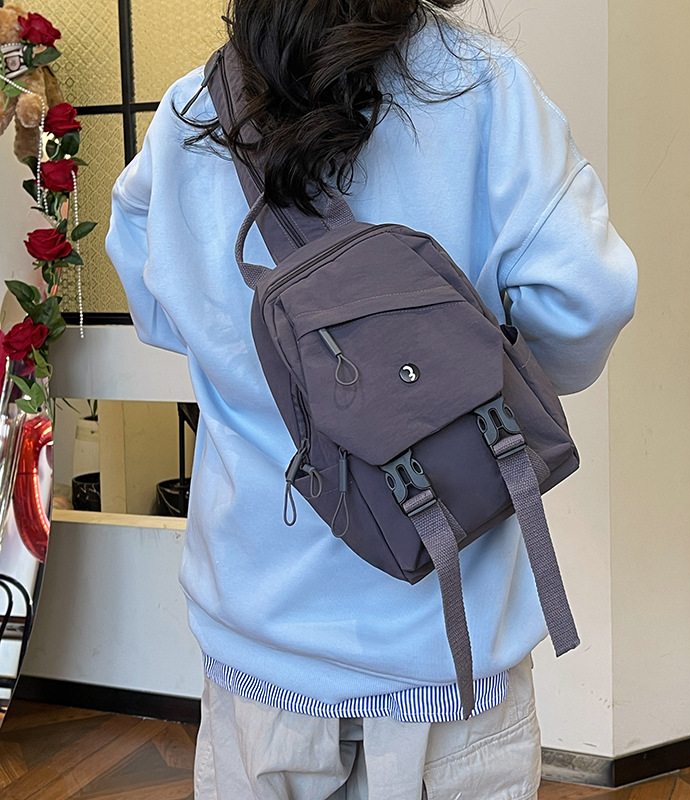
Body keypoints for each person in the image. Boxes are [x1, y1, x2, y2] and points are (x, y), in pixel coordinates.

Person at [106, 1, 637, 797]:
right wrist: (460, 393)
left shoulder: (191, 112)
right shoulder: (478, 83)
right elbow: (586, 298)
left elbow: (159, 309)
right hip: (449, 644)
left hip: (260, 636)